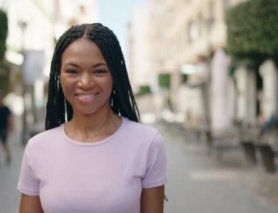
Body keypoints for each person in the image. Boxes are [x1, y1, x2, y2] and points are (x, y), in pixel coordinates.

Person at [17, 23, 167, 213]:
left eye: (99, 71)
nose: (85, 82)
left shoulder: (148, 143)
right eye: (73, 71)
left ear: (115, 75)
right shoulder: (37, 149)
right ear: (58, 76)